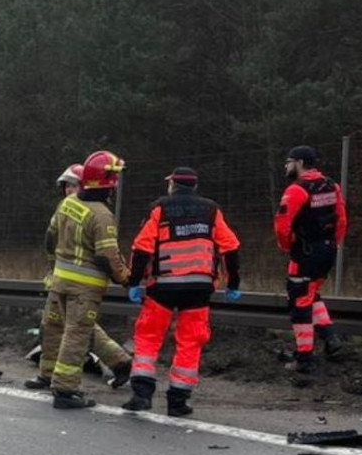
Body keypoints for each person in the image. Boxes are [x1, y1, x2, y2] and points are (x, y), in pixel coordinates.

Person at [122, 168, 242, 416]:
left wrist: (134, 281)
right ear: (194, 186)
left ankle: (141, 395)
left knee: (148, 336)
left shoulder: (159, 207)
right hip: (199, 287)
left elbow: (142, 247)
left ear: (173, 185)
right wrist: (233, 284)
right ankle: (178, 401)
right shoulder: (211, 209)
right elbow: (230, 247)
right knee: (191, 341)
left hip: (163, 286)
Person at [27, 164, 133, 390]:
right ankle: (49, 374)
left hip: (79, 285)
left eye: (73, 185)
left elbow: (105, 254)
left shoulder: (95, 213)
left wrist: (124, 277)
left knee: (76, 331)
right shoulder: (76, 207)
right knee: (55, 327)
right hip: (63, 282)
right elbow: (52, 240)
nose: (69, 190)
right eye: (66, 186)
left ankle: (67, 382)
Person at [275, 145, 348, 373]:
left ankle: (304, 357)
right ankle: (330, 338)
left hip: (305, 253)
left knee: (299, 302)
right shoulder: (331, 185)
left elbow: (282, 224)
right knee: (311, 293)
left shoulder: (296, 189)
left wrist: (287, 246)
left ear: (299, 162)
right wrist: (333, 244)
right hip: (327, 250)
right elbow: (342, 219)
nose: (286, 166)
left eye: (288, 162)